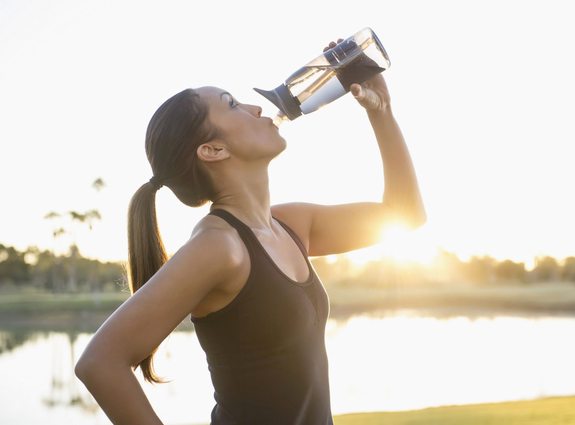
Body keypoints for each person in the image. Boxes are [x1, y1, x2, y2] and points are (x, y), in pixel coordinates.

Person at [75, 39, 426, 425]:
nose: (256, 107)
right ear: (212, 150)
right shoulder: (219, 246)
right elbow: (100, 362)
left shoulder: (291, 226)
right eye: (232, 104)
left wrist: (382, 111)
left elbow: (404, 215)